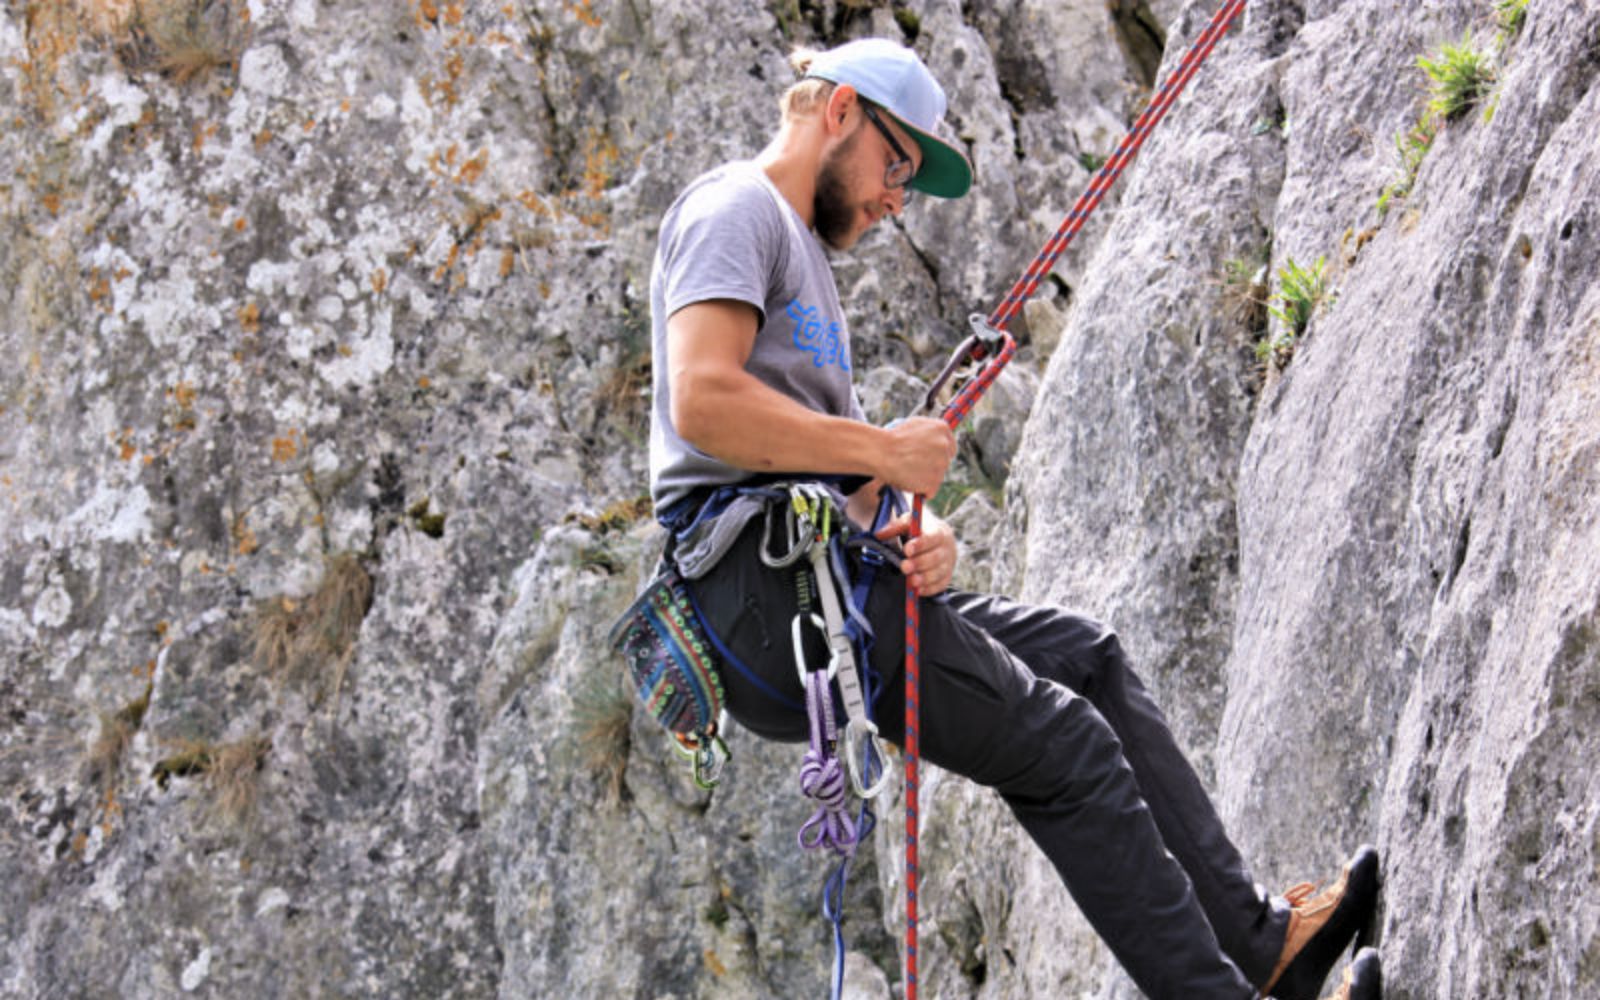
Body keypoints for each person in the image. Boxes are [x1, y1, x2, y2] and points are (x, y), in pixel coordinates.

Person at [645, 36, 1382, 1000]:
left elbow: (808, 464)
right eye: (898, 161)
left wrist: (903, 523)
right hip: (759, 591)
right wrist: (876, 450)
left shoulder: (802, 262)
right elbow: (701, 403)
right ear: (838, 112)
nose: (896, 197)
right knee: (1065, 747)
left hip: (802, 581)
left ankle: (1262, 945)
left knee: (1086, 658)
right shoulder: (734, 208)